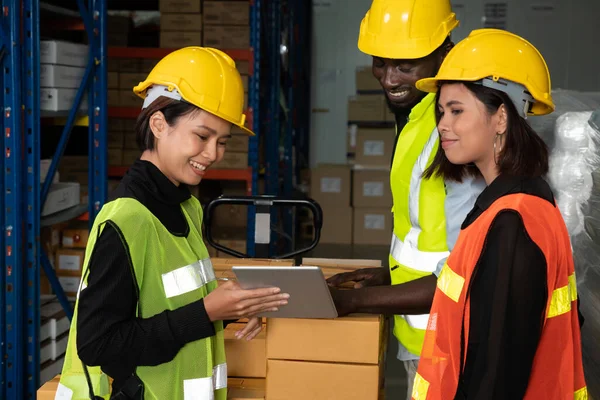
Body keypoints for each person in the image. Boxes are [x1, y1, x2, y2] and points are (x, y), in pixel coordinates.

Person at [56, 47, 290, 400]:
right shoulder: (126, 219)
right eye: (202, 136)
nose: (213, 154)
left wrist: (233, 308)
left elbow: (172, 305)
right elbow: (98, 345)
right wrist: (207, 311)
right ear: (159, 124)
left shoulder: (187, 207)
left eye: (223, 141)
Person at [408, 28, 587, 399]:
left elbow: (495, 376)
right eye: (442, 111)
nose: (443, 124)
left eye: (457, 110)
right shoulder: (518, 207)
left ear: (501, 118)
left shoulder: (512, 224)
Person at [327, 0, 485, 396]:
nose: (387, 77)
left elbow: (467, 269)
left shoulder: (453, 132)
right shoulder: (418, 119)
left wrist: (358, 301)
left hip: (455, 343)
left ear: (443, 55)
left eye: (405, 66)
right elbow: (428, 235)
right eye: (381, 62)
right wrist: (390, 277)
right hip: (424, 334)